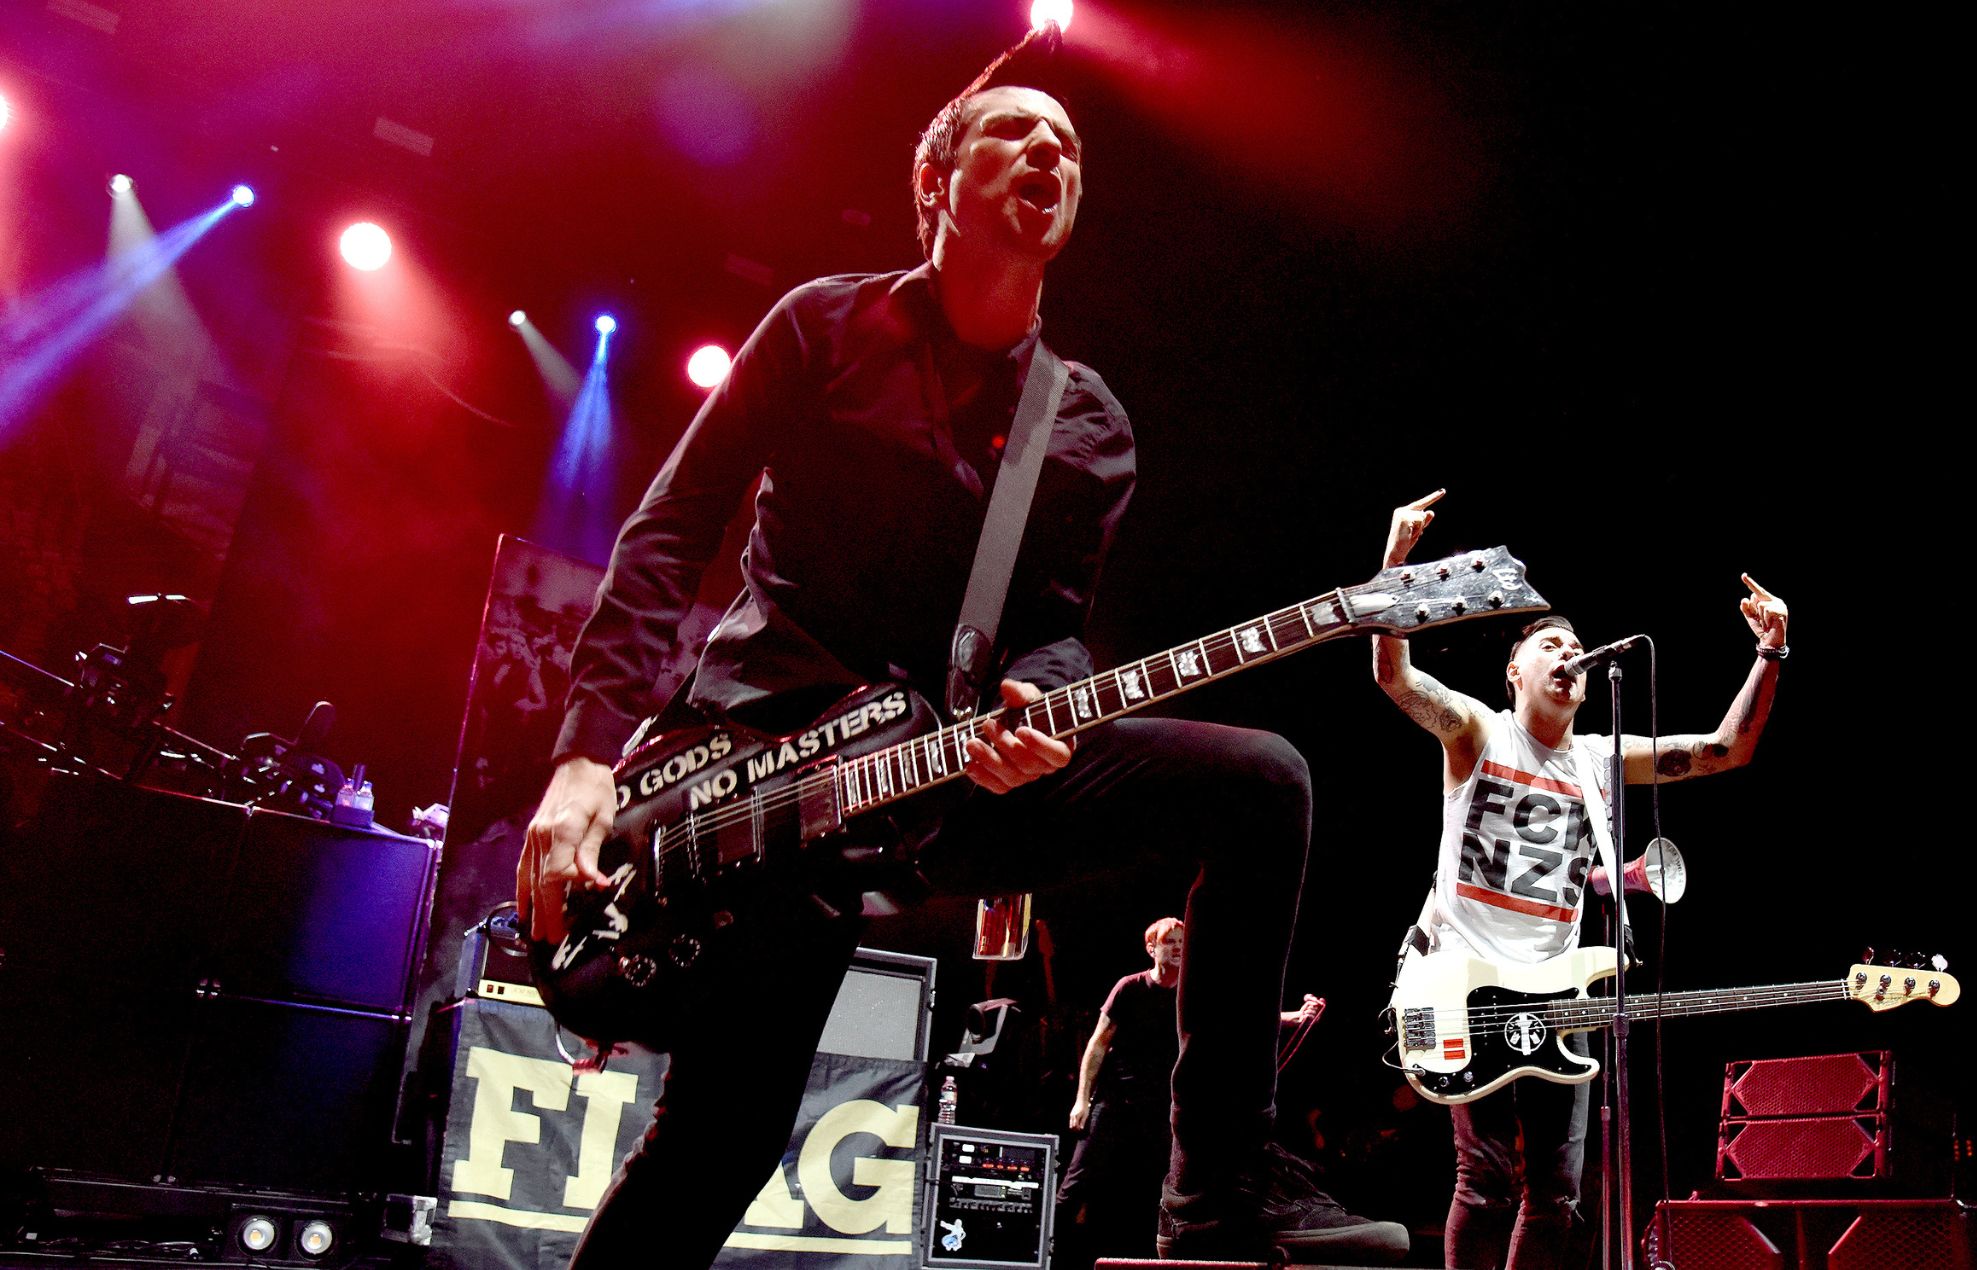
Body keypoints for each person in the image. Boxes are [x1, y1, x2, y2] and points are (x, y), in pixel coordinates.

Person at [515, 28, 1407, 1269]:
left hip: (950, 780)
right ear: (935, 181)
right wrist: (582, 760)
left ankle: (1219, 1181)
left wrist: (1035, 712)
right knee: (720, 1135)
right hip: (760, 775)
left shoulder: (1085, 423)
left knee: (1260, 780)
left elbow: (1049, 626)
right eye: (1014, 130)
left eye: (1070, 145)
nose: (1050, 147)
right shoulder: (820, 328)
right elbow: (669, 527)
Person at [1369, 490, 1790, 1270]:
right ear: (1513, 672)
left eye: (1576, 647)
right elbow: (1395, 677)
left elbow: (1727, 750)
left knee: (1558, 1194)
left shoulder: (1601, 759)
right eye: (1552, 645)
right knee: (1485, 1179)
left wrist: (1770, 654)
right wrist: (1395, 567)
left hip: (1558, 987)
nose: (1570, 655)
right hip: (1458, 977)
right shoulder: (1476, 732)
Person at [1056, 917, 1325, 1265]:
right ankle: (1048, 1252)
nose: (1179, 947)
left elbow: (1240, 1019)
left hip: (1162, 1108)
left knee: (1164, 1190)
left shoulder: (1191, 993)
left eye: (1184, 940)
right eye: (1170, 941)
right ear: (1152, 948)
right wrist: (1081, 1100)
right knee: (1077, 1182)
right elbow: (1096, 1046)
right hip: (1116, 1101)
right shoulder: (1130, 987)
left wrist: (1293, 1018)